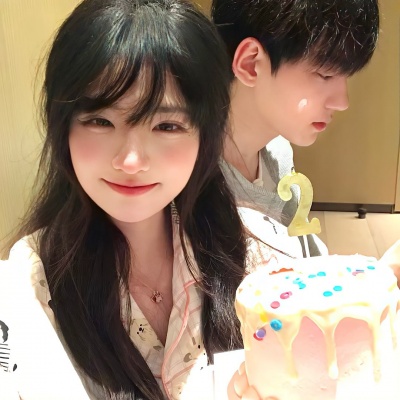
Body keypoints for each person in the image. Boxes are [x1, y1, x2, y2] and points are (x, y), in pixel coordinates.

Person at [0, 0, 278, 398]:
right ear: (62, 128)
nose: (130, 161)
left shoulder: (258, 249)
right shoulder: (28, 285)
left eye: (166, 125)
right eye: (100, 121)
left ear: (206, 134)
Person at [211, 0, 380, 258]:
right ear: (251, 64)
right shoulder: (189, 185)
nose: (342, 102)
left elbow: (302, 267)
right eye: (325, 75)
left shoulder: (277, 151)